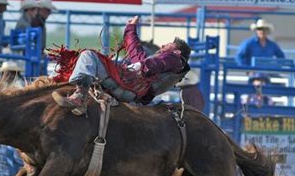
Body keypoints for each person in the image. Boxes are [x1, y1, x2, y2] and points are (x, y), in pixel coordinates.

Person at [52, 15, 191, 116]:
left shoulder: (175, 59)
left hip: (128, 86)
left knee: (89, 56)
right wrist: (130, 28)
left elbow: (150, 64)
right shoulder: (164, 65)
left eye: (168, 44)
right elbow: (135, 52)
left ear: (177, 51)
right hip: (131, 89)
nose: (162, 45)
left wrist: (136, 68)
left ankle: (79, 96)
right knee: (84, 61)